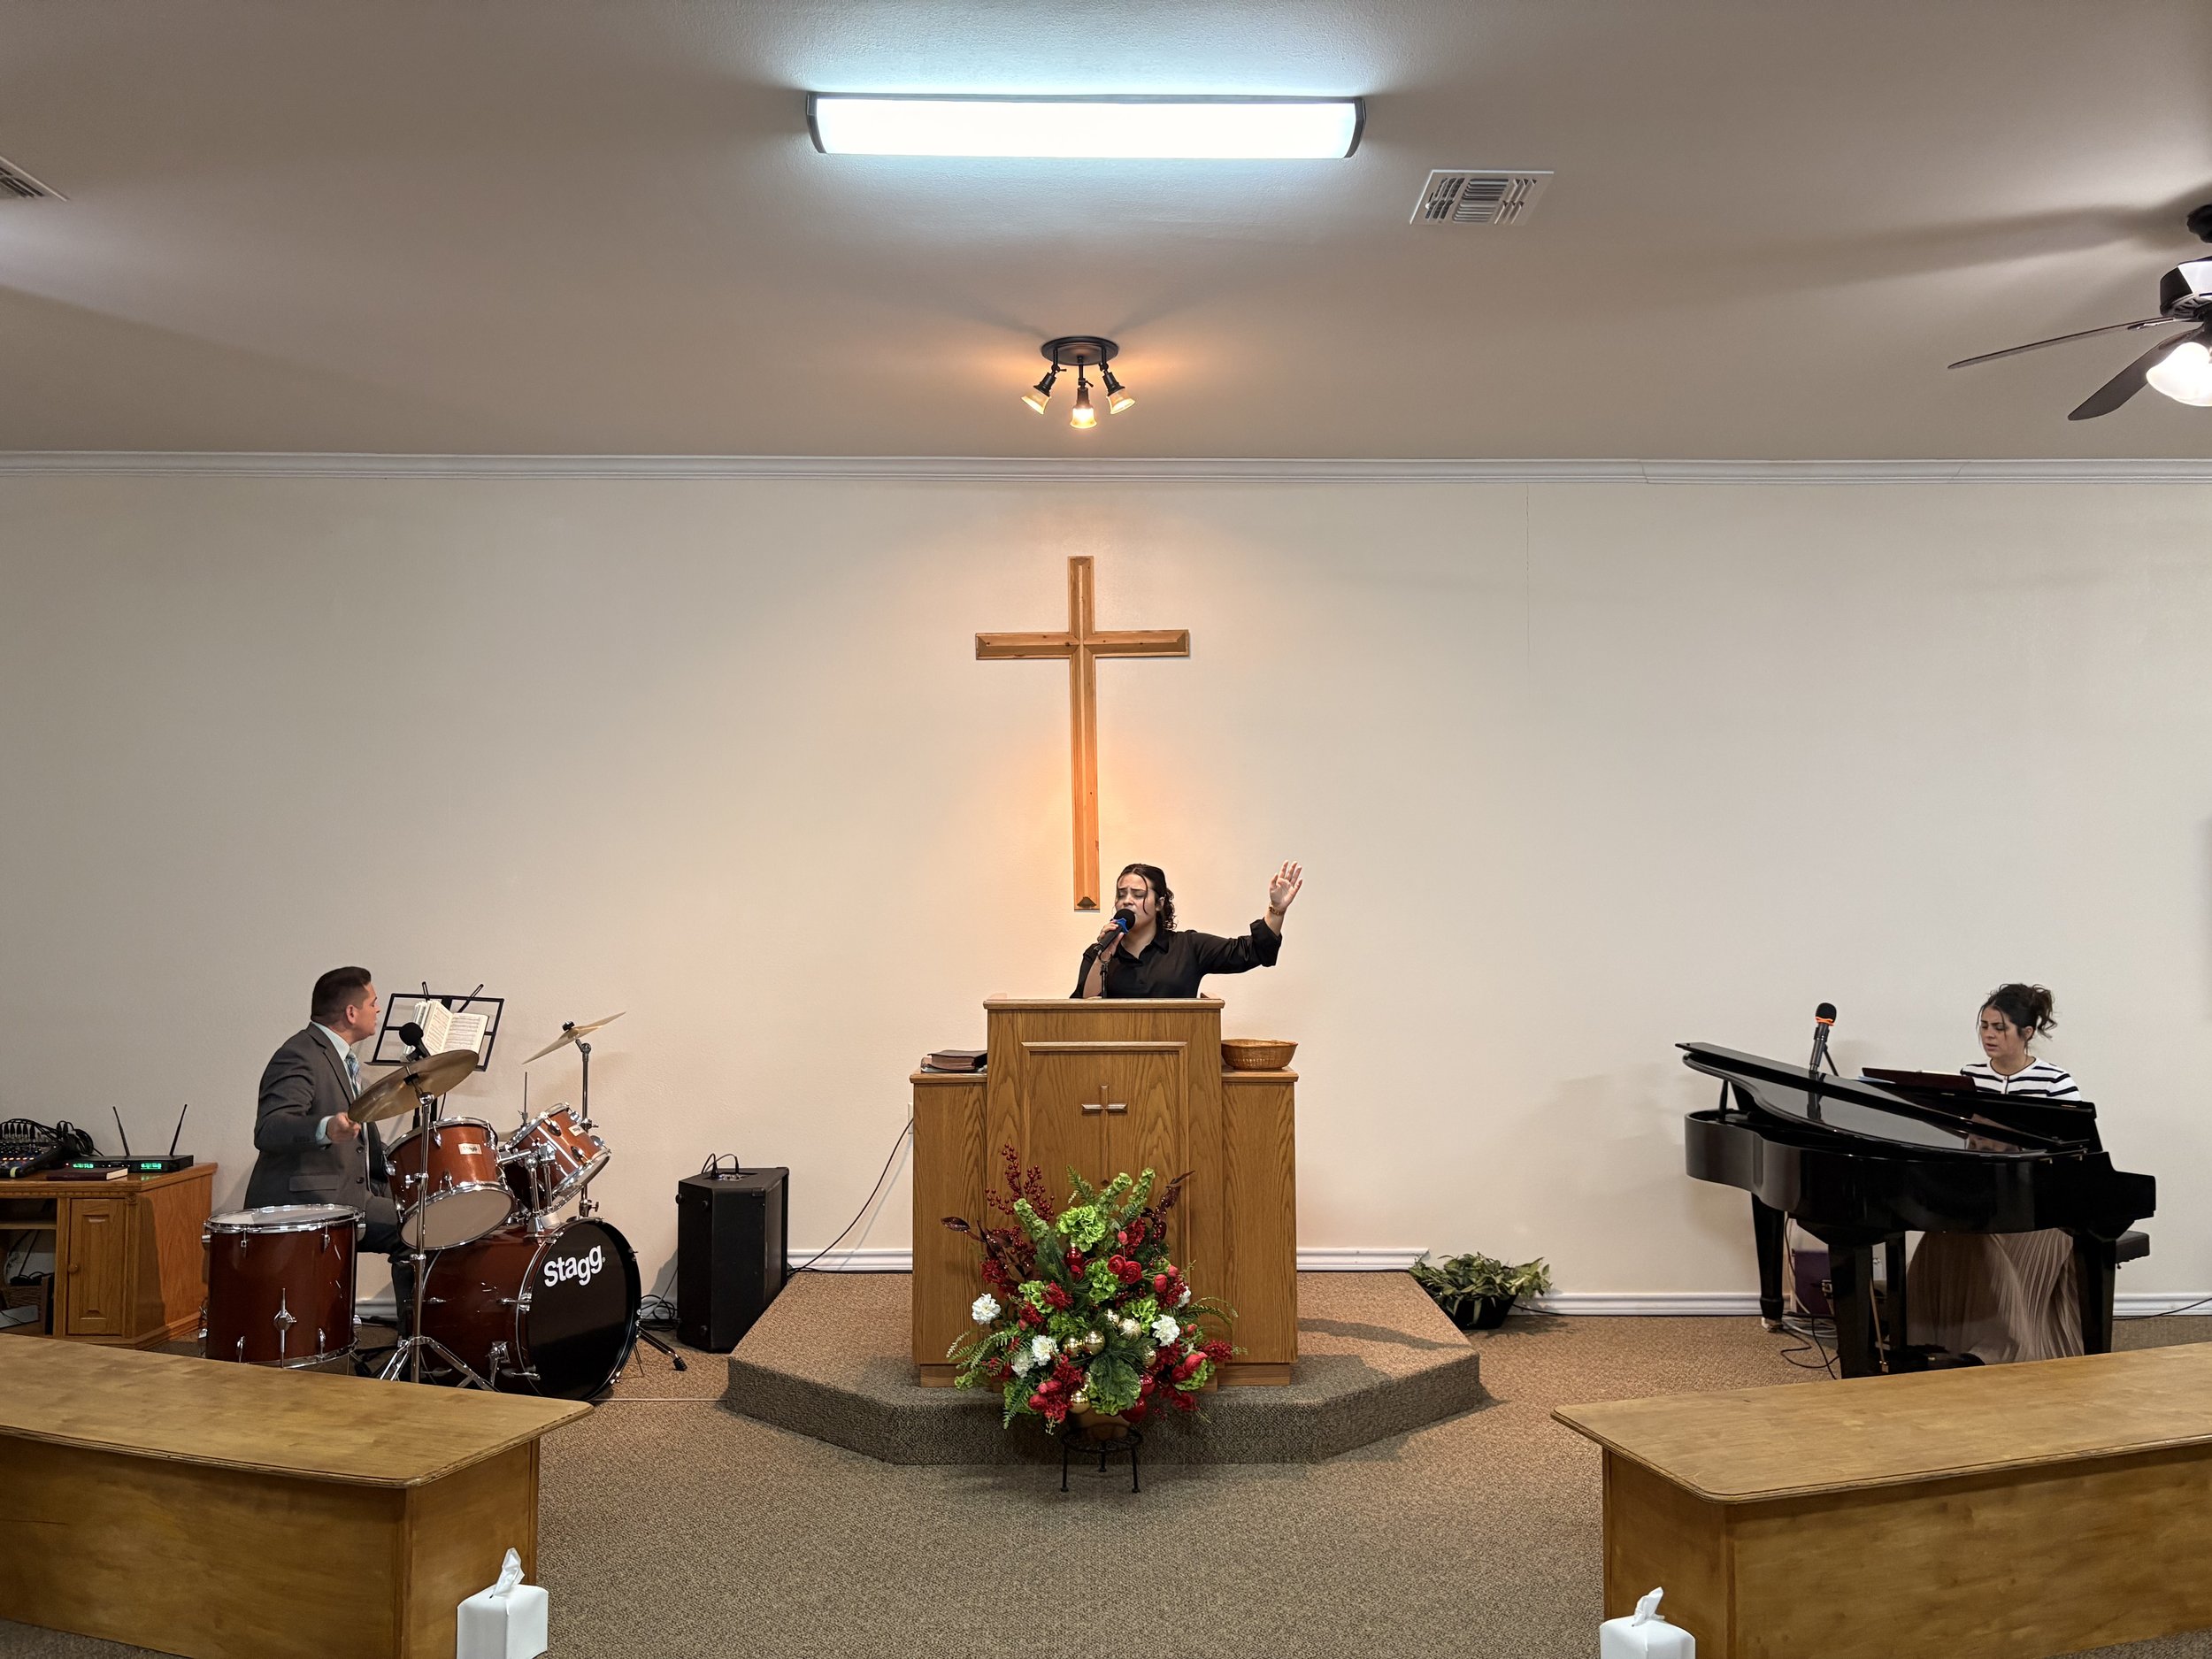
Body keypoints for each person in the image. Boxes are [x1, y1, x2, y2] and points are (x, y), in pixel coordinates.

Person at [1906, 983, 2084, 1364]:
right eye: (1984, 1025)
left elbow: (2073, 1155)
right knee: (1941, 1233)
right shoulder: (1969, 1077)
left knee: (1989, 1245)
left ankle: (1996, 1350)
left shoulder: (2056, 1082)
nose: (1989, 1034)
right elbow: (1953, 1138)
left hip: (2040, 1205)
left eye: (2000, 1027)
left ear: (2027, 1033)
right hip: (1979, 1196)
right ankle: (1933, 1341)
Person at [242, 966, 413, 1328]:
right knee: (419, 1229)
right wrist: (324, 1127)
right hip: (310, 1206)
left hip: (347, 1197)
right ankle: (415, 1351)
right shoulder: (300, 1054)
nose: (378, 1010)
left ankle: (415, 1346)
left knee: (426, 1221)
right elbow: (269, 1128)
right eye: (373, 1002)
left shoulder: (341, 1058)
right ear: (351, 1013)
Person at [1073, 861, 1302, 998]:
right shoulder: (1098, 952)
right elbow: (1084, 1010)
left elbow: (1249, 952)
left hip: (1178, 1067)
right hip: (1115, 1070)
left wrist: (1276, 910)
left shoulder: (1188, 948)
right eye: (1121, 894)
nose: (1127, 901)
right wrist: (1103, 957)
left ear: (1159, 903)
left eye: (1138, 894)